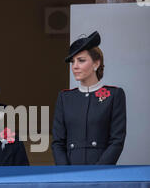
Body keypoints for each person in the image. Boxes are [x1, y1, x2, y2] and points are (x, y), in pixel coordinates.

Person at [52, 31, 126, 165]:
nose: (74, 66)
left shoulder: (114, 95)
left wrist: (98, 172)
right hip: (70, 173)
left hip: (102, 172)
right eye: (72, 61)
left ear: (96, 64)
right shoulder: (65, 98)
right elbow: (57, 142)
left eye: (81, 60)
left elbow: (117, 141)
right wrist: (65, 172)